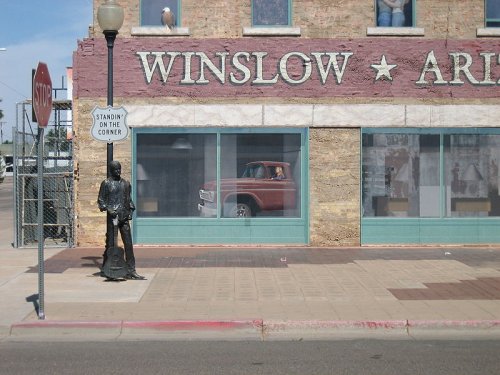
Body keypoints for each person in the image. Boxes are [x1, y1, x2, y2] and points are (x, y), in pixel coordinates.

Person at [97, 160, 145, 280]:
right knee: (111, 244)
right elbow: (101, 201)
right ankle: (107, 268)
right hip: (113, 218)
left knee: (128, 244)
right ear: (111, 171)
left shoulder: (126, 183)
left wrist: (130, 211)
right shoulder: (106, 183)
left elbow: (129, 200)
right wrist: (109, 209)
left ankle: (131, 270)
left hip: (123, 217)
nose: (118, 172)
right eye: (116, 170)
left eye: (120, 169)